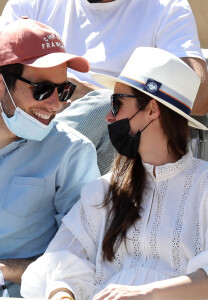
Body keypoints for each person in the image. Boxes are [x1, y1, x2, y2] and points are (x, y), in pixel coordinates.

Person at [21, 47, 208, 300]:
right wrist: (62, 294)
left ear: (152, 109)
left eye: (117, 103)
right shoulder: (102, 190)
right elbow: (62, 262)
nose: (109, 116)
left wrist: (148, 293)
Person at [1, 0, 208, 174]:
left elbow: (198, 97)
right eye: (42, 88)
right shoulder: (33, 3)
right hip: (27, 125)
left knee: (108, 110)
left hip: (113, 146)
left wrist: (100, 99)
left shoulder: (166, 7)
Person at [0, 18, 100, 297]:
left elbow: (80, 258)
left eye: (64, 90)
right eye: (42, 89)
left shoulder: (72, 153)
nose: (55, 104)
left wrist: (6, 268)